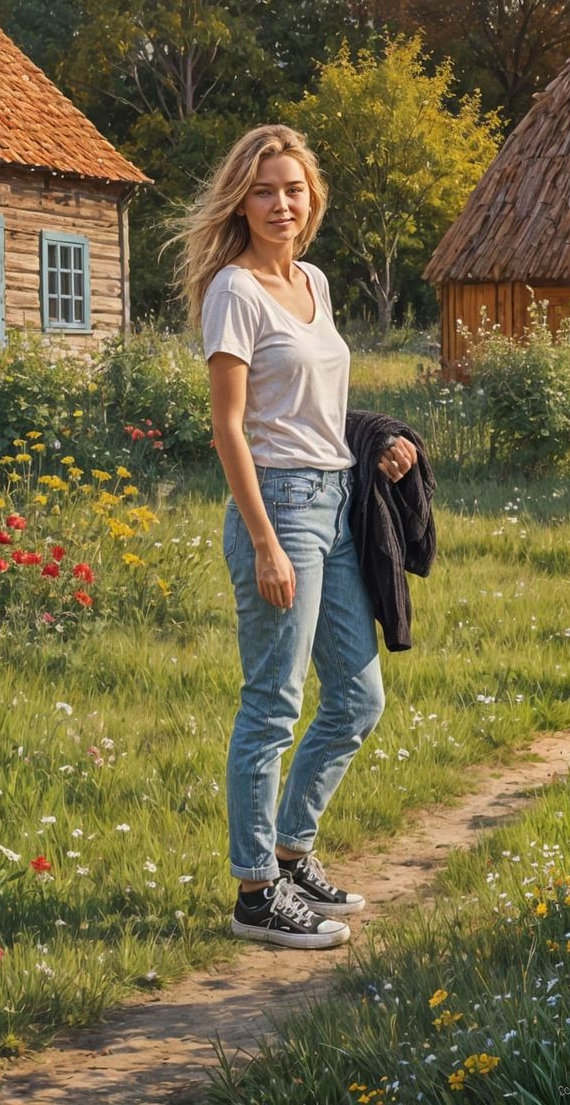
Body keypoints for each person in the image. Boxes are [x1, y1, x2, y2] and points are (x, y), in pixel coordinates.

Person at [175, 124, 418, 950]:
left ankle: (290, 851)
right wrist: (265, 542)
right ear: (240, 202)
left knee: (358, 698)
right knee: (273, 703)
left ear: (312, 198)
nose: (281, 203)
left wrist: (374, 446)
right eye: (264, 190)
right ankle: (255, 893)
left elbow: (314, 406)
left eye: (293, 189)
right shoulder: (233, 291)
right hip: (277, 509)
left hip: (337, 501)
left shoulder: (313, 280)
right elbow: (230, 429)